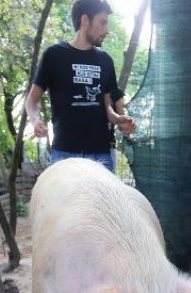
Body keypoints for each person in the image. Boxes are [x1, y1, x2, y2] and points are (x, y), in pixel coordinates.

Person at [25, 0, 135, 173]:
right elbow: (31, 101)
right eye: (103, 22)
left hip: (101, 155)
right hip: (64, 154)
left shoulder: (105, 60)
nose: (107, 30)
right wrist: (35, 120)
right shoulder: (53, 55)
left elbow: (106, 106)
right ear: (85, 20)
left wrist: (118, 119)